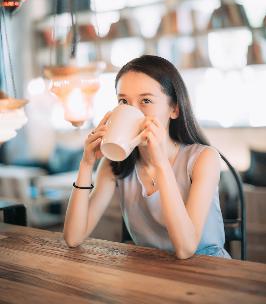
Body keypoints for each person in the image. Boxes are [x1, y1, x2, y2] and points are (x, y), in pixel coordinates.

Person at [63, 55, 231, 259]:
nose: (132, 111)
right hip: (149, 272)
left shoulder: (204, 159)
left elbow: (186, 249)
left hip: (208, 271)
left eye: (146, 101)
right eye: (123, 101)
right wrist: (86, 163)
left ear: (174, 109)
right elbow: (73, 237)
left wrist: (159, 161)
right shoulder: (115, 162)